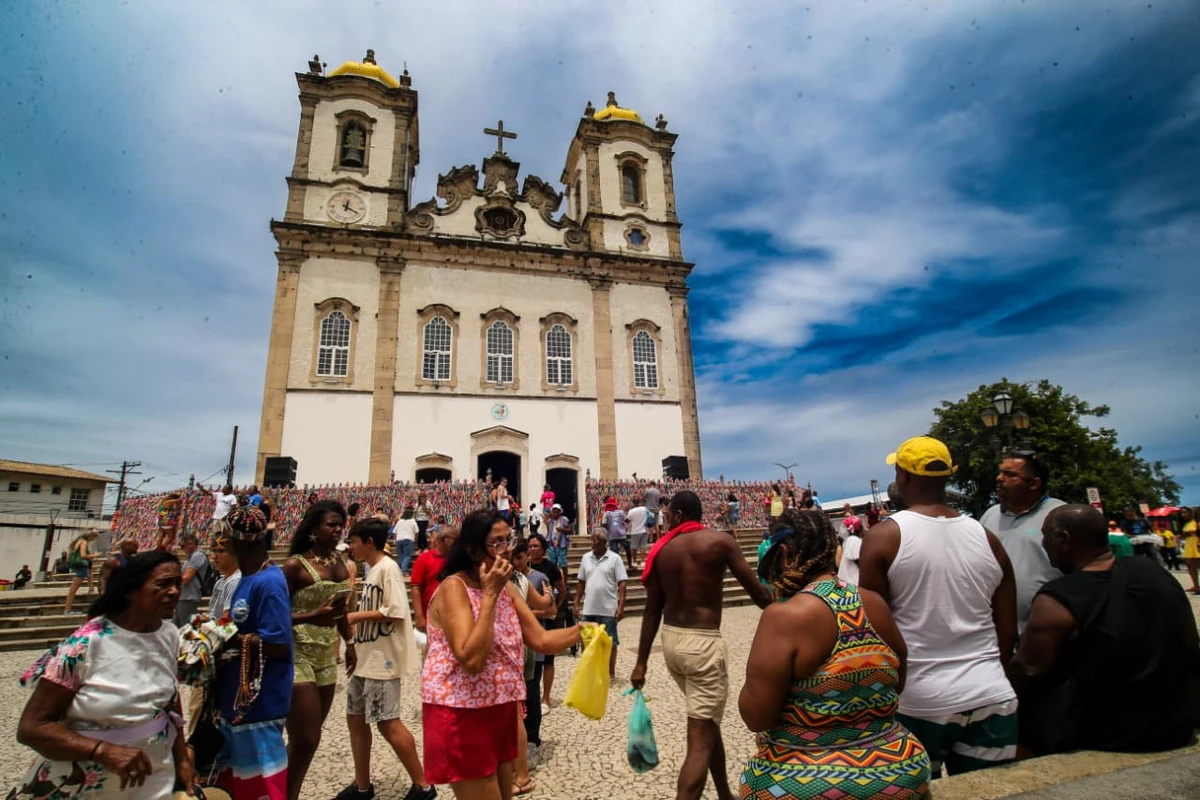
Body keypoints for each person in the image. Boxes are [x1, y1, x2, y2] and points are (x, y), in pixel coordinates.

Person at [739, 509, 930, 799]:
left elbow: (757, 716)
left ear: (785, 554)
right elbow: (898, 681)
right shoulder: (873, 603)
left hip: (810, 779)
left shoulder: (784, 617)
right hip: (899, 772)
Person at [858, 437, 1018, 778]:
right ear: (948, 476)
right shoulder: (986, 537)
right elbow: (1007, 627)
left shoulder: (885, 537)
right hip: (991, 693)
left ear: (903, 477)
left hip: (919, 696)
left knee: (916, 790)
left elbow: (871, 625)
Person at [1009, 504, 1200, 755]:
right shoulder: (1155, 574)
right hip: (1176, 726)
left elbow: (1027, 670)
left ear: (1064, 540)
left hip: (1109, 736)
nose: (1043, 544)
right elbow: (1190, 640)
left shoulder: (1058, 599)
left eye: (1045, 536)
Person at [421, 508, 582, 798]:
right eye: (497, 543)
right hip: (462, 711)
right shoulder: (454, 589)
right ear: (471, 549)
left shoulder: (506, 586)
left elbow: (541, 639)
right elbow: (471, 659)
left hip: (499, 707)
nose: (506, 551)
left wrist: (585, 631)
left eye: (509, 540)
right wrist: (490, 595)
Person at [12, 551, 193, 799]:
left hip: (152, 776)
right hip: (84, 781)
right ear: (130, 590)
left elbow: (169, 701)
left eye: (177, 584)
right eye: (163, 584)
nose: (174, 591)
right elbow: (32, 727)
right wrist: (101, 750)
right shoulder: (85, 645)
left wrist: (181, 756)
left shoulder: (170, 635)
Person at [630, 491, 772, 800]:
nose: (665, 522)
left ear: (680, 515)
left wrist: (641, 661)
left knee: (707, 723)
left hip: (672, 644)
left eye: (668, 516)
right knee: (700, 741)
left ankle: (723, 793)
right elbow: (759, 594)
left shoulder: (663, 551)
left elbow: (652, 609)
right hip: (703, 645)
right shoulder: (719, 543)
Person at [337, 518, 435, 800]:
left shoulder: (388, 569)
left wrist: (354, 616)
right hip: (365, 655)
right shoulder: (373, 570)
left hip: (382, 658)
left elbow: (393, 610)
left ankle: (423, 784)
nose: (351, 547)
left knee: (387, 721)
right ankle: (362, 784)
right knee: (355, 718)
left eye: (354, 542)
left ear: (369, 542)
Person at [215, 503, 293, 800]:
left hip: (260, 705)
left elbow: (277, 643)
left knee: (261, 787)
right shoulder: (248, 579)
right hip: (239, 704)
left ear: (234, 543)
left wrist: (227, 638)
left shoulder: (269, 583)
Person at [282, 500, 353, 800]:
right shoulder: (295, 565)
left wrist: (349, 642)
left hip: (326, 653)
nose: (337, 530)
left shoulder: (340, 563)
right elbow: (277, 615)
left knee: (308, 739)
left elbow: (340, 611)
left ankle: (286, 793)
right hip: (298, 651)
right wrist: (312, 616)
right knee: (307, 736)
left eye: (340, 525)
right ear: (313, 528)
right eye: (331, 524)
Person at [979, 452, 1065, 635]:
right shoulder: (990, 516)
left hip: (1048, 634)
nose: (999, 478)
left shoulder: (1059, 515)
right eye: (1000, 472)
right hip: (995, 632)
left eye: (1009, 474)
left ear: (1034, 483)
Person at [510, 541, 555, 797]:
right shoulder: (509, 579)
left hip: (527, 647)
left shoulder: (529, 579)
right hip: (515, 649)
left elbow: (549, 609)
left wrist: (534, 609)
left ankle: (530, 744)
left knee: (526, 699)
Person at [574, 531, 628, 680]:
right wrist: (576, 602)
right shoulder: (586, 558)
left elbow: (622, 583)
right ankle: (588, 670)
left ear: (604, 542)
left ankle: (610, 673)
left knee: (610, 642)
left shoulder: (614, 559)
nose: (593, 543)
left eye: (596, 540)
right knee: (587, 640)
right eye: (592, 540)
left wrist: (621, 606)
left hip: (608, 608)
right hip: (589, 607)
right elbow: (581, 582)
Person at [527, 533, 567, 714]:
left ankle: (546, 697)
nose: (533, 549)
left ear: (543, 548)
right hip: (528, 619)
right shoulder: (523, 568)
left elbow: (562, 589)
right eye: (530, 546)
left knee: (548, 660)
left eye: (536, 546)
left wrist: (554, 609)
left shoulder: (550, 568)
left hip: (546, 618)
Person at [411, 524, 457, 634]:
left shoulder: (456, 561)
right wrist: (419, 616)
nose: (456, 543)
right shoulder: (424, 559)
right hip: (431, 618)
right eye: (453, 539)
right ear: (443, 540)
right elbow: (416, 588)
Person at [174, 534, 210, 628]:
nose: (182, 549)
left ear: (191, 544)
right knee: (177, 627)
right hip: (183, 596)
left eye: (182, 546)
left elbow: (186, 578)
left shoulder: (198, 555)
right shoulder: (191, 556)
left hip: (189, 597)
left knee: (187, 628)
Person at [63, 531, 100, 615]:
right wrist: (94, 555)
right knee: (73, 589)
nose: (93, 540)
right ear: (90, 536)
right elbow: (83, 555)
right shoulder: (84, 542)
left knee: (73, 589)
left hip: (78, 566)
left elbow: (71, 554)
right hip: (81, 566)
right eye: (94, 538)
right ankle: (67, 610)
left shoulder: (78, 541)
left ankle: (67, 609)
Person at [602, 497, 632, 568]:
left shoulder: (606, 514)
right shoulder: (621, 512)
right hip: (622, 534)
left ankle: (617, 567)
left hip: (612, 536)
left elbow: (604, 524)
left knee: (615, 553)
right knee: (627, 548)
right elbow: (627, 520)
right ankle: (630, 565)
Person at [392, 505, 420, 575]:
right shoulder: (412, 521)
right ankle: (404, 570)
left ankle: (401, 569)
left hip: (399, 540)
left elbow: (394, 531)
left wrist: (394, 540)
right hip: (408, 539)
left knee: (401, 555)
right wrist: (415, 539)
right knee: (407, 556)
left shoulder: (400, 521)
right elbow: (417, 531)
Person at [627, 496, 650, 568]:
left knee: (634, 547)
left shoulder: (631, 511)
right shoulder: (645, 509)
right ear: (639, 502)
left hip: (635, 531)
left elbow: (627, 520)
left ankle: (634, 561)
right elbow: (649, 515)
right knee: (643, 547)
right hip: (644, 530)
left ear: (633, 503)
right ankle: (643, 561)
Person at [1182, 507, 1200, 594]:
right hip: (1188, 544)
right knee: (1190, 566)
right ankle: (1196, 586)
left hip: (1196, 543)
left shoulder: (1196, 522)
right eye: (1182, 513)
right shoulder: (1186, 523)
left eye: (1185, 512)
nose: (1183, 515)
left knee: (1195, 565)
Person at [548, 504, 572, 570]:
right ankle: (554, 578)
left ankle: (564, 579)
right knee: (552, 563)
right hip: (552, 544)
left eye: (557, 511)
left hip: (561, 544)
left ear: (560, 512)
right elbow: (549, 532)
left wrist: (562, 530)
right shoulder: (550, 521)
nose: (555, 513)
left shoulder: (564, 519)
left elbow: (570, 530)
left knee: (563, 564)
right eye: (554, 511)